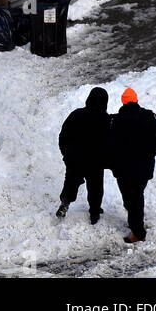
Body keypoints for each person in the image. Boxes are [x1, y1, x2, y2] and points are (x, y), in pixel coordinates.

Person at [107, 87, 156, 243]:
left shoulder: (116, 121)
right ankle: (135, 218)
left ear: (123, 102)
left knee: (133, 198)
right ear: (136, 100)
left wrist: (113, 163)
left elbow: (110, 145)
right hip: (143, 167)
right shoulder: (149, 117)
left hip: (123, 169)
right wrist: (148, 153)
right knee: (135, 196)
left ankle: (138, 233)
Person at [55, 86, 110, 223]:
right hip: (94, 161)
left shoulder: (76, 114)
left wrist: (66, 154)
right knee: (95, 187)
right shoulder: (105, 119)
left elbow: (63, 136)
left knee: (71, 183)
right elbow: (109, 142)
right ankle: (94, 212)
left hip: (74, 158)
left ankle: (65, 204)